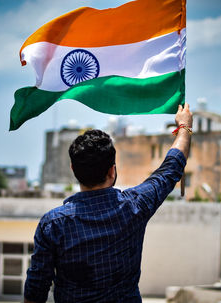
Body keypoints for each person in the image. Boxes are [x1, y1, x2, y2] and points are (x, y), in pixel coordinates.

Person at [24, 104, 193, 303]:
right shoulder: (135, 207)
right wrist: (185, 127)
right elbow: (170, 170)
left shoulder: (53, 224)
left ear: (74, 170)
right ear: (112, 171)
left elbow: (36, 288)